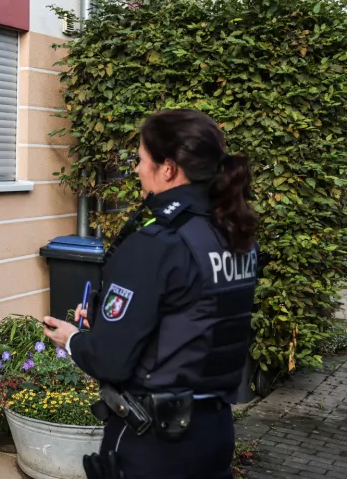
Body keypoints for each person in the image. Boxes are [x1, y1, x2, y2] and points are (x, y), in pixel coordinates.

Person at [42, 109, 260, 479]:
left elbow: (111, 361)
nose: (137, 170)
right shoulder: (235, 234)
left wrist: (73, 339)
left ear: (169, 168)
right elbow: (194, 320)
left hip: (154, 444)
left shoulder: (158, 243)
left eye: (141, 160)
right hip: (214, 434)